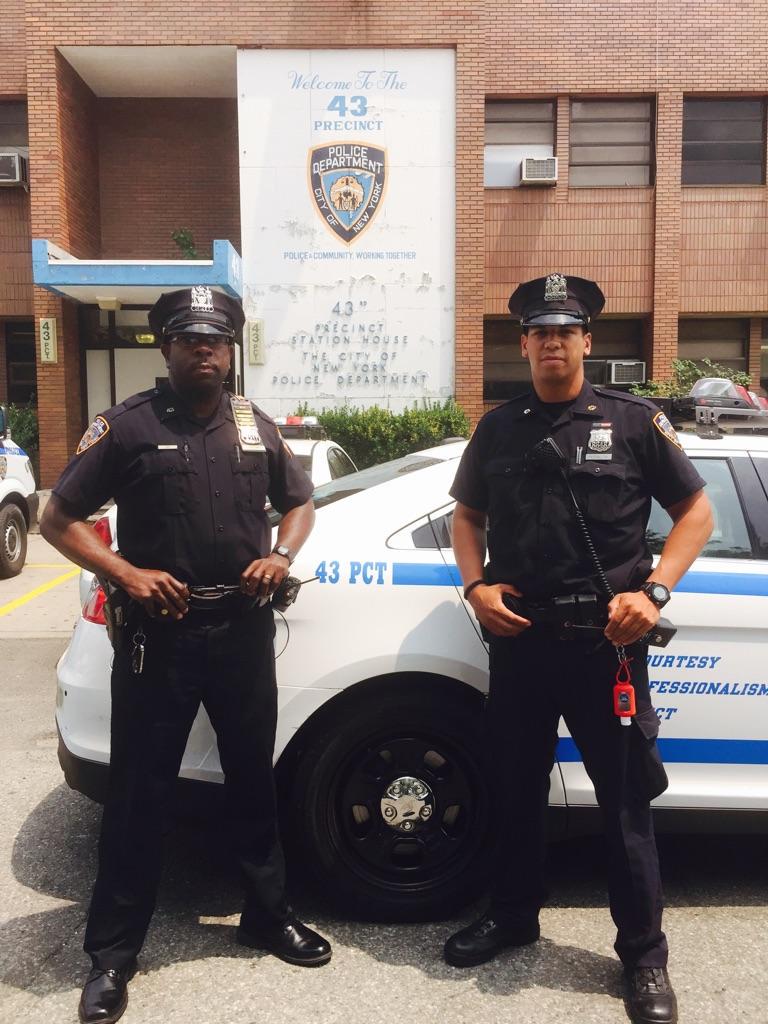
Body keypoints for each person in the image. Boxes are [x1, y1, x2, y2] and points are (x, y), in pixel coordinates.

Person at [41, 287, 331, 1024]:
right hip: (158, 639)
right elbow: (57, 517)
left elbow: (299, 502)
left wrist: (281, 555)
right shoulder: (127, 426)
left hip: (241, 632)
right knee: (140, 795)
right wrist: (127, 574)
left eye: (216, 340)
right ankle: (112, 954)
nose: (205, 350)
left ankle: (266, 916)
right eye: (191, 339)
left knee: (252, 780)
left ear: (231, 350)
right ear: (166, 347)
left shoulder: (253, 424)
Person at [445, 274, 713, 1024]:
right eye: (540, 332)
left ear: (587, 341)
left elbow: (696, 511)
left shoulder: (633, 422)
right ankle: (512, 917)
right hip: (521, 642)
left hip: (608, 647)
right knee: (515, 789)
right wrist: (475, 587)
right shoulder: (499, 427)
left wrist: (654, 592)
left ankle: (644, 958)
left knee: (625, 805)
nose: (552, 343)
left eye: (566, 331)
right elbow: (467, 517)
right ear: (524, 344)